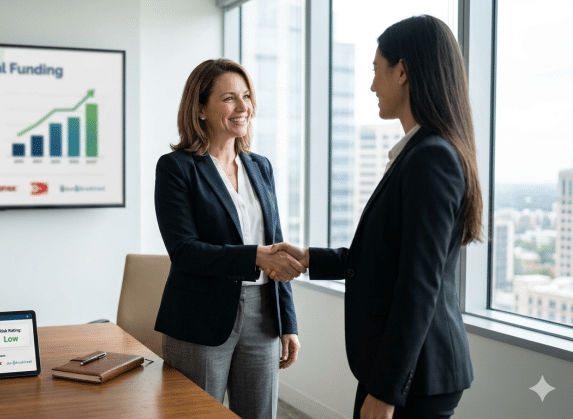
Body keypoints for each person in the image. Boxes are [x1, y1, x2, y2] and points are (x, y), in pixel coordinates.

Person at [268, 15, 482, 419]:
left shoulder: (431, 158)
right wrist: (311, 257)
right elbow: (387, 258)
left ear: (402, 71)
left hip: (413, 377)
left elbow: (418, 286)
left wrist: (385, 393)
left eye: (375, 70)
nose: (370, 85)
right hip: (401, 370)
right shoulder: (419, 153)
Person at [153, 58, 304, 419]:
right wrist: (254, 257)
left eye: (247, 96)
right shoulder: (176, 168)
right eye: (229, 99)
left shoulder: (260, 166)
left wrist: (288, 322)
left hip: (263, 316)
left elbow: (276, 244)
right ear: (201, 108)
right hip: (199, 318)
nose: (243, 107)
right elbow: (184, 250)